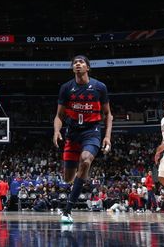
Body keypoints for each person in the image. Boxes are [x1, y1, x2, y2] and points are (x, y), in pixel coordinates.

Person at [52, 55, 112, 223]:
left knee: (85, 161)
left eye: (81, 62)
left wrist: (107, 136)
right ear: (73, 68)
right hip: (72, 133)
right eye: (75, 63)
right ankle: (79, 179)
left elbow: (108, 115)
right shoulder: (66, 88)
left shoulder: (99, 87)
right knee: (68, 178)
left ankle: (67, 210)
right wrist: (56, 131)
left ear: (88, 67)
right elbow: (59, 115)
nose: (78, 64)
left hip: (91, 131)